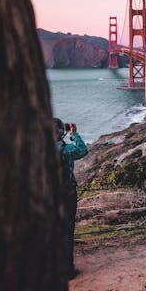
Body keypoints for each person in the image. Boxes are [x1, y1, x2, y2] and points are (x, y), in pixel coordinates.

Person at [54, 118, 88, 280]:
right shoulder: (66, 150)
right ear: (62, 133)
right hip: (67, 194)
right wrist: (74, 134)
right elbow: (83, 150)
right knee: (67, 230)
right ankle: (67, 269)